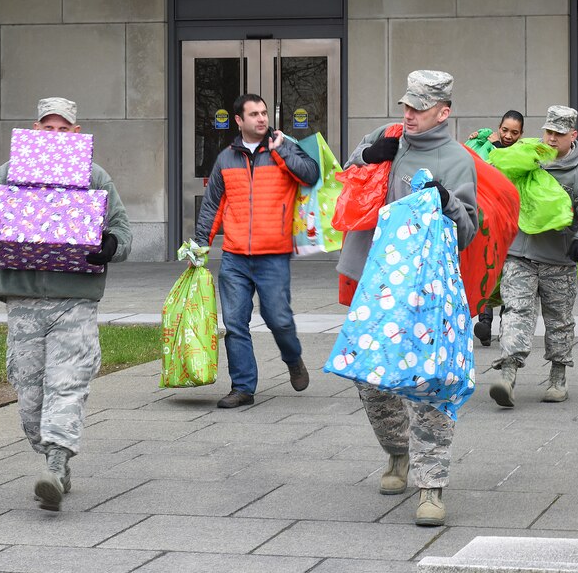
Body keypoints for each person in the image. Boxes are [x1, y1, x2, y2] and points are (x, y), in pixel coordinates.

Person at [0, 97, 132, 511]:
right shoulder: (7, 175)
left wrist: (109, 245)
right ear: (34, 130)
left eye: (63, 129)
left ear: (75, 134)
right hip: (22, 302)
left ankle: (55, 467)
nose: (54, 135)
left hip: (74, 300)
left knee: (67, 384)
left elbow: (123, 232)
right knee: (30, 398)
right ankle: (54, 457)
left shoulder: (95, 177)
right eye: (47, 127)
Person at [338, 70, 478, 527]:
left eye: (419, 107)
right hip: (374, 286)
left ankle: (431, 487)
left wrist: (446, 202)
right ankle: (397, 452)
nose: (409, 114)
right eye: (406, 105)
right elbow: (348, 175)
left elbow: (468, 230)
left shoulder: (457, 159)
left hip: (426, 295)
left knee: (428, 388)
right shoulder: (387, 138)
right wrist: (367, 154)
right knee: (371, 382)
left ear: (444, 111)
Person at [194, 93, 319, 409]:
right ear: (239, 120)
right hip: (235, 255)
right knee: (235, 323)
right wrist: (200, 246)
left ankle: (293, 358)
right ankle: (243, 388)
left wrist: (281, 154)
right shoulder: (225, 158)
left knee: (278, 318)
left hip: (273, 254)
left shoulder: (283, 147)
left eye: (264, 113)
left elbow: (311, 174)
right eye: (253, 114)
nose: (261, 119)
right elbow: (212, 205)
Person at [490, 105, 578, 407]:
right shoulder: (528, 158)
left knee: (558, 321)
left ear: (573, 135)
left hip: (559, 259)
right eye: (548, 132)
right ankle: (508, 372)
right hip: (519, 254)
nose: (552, 139)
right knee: (515, 311)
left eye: (559, 133)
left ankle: (558, 376)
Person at [467, 110, 525, 346]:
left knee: (508, 275)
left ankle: (504, 325)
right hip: (489, 220)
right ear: (498, 128)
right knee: (488, 269)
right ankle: (485, 323)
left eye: (514, 132)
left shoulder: (521, 153)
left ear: (522, 134)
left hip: (511, 222)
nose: (509, 135)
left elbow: (511, 166)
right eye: (505, 130)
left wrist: (497, 147)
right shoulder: (487, 146)